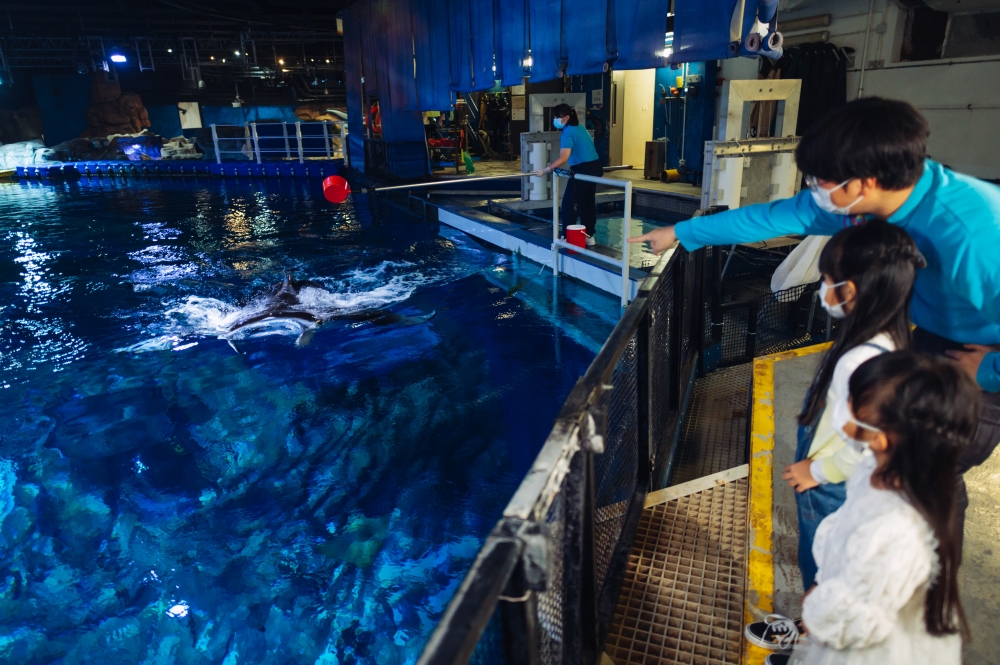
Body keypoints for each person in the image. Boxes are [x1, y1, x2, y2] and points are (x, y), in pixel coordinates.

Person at [630, 96, 1000, 489]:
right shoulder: (863, 201)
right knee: (897, 456)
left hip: (983, 354)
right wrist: (682, 232)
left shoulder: (975, 235)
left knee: (932, 474)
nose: (812, 191)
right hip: (930, 332)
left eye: (818, 181)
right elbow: (769, 217)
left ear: (864, 182)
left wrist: (989, 371)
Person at [744, 220, 924, 653]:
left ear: (854, 290)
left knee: (824, 567)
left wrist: (818, 471)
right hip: (843, 481)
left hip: (831, 486)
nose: (823, 288)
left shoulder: (859, 359)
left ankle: (817, 643)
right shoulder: (889, 340)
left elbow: (868, 441)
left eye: (827, 279)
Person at [776, 352, 977, 665]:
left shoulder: (895, 529)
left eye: (850, 401)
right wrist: (823, 581)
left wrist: (818, 607)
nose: (841, 406)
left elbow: (857, 621)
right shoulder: (875, 466)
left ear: (880, 439)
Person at [535, 103, 602, 246]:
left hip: (583, 169)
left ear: (566, 118)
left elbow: (563, 158)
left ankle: (567, 238)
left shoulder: (568, 132)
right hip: (595, 167)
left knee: (569, 204)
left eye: (557, 117)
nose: (555, 120)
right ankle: (589, 236)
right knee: (587, 202)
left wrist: (546, 170)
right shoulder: (579, 127)